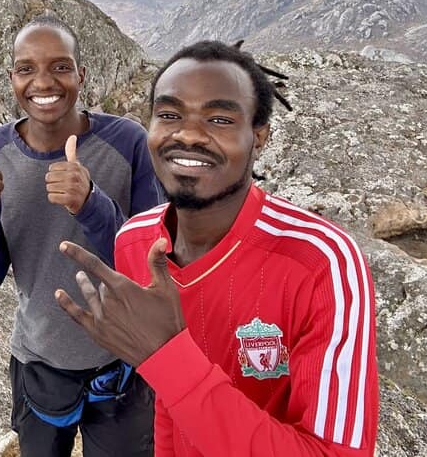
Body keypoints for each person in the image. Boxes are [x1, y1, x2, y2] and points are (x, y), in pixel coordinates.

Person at [56, 40, 378, 457]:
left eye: (220, 118)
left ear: (258, 136)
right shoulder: (133, 243)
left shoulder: (322, 264)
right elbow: (166, 406)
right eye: (169, 115)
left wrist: (168, 357)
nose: (188, 134)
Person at [0, 15, 163, 457]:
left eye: (60, 66)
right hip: (39, 362)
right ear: (12, 78)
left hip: (123, 362)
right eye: (26, 68)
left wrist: (92, 205)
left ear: (81, 75)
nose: (43, 81)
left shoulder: (127, 142)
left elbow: (153, 266)